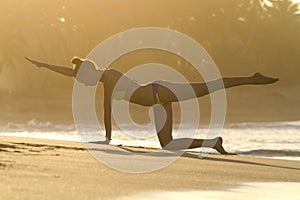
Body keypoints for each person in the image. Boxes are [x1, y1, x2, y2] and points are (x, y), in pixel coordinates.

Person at [25, 56, 279, 154]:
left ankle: (250, 78)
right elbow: (74, 73)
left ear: (90, 73)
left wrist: (107, 139)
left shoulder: (109, 77)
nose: (82, 83)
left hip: (160, 91)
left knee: (207, 87)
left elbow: (106, 109)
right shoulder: (102, 76)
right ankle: (213, 143)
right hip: (157, 101)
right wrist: (44, 64)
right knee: (167, 144)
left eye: (82, 79)